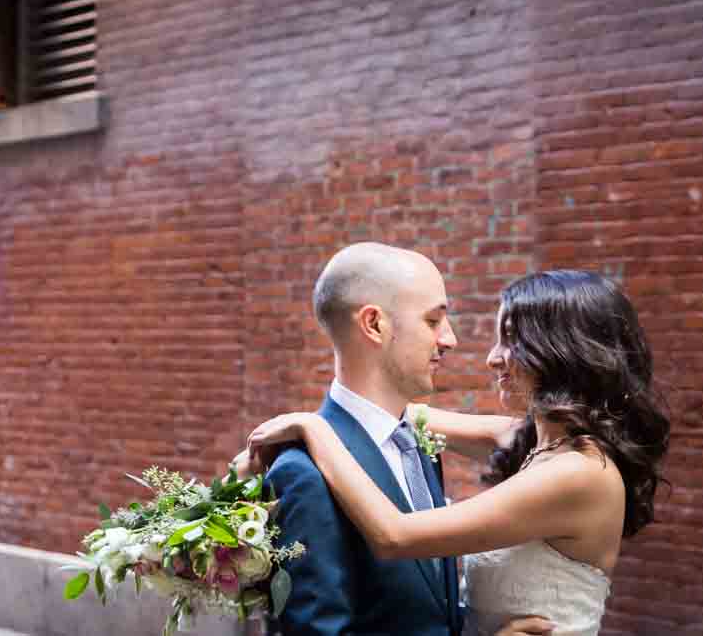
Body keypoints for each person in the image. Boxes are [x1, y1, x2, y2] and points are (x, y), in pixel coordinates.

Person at [247, 269, 670, 636]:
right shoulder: (528, 439)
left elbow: (394, 535)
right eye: (433, 321)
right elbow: (396, 415)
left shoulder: (579, 473)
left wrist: (312, 428)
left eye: (511, 341)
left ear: (563, 351)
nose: (491, 359)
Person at [245, 242, 547, 636]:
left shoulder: (418, 444)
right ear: (374, 324)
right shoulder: (302, 473)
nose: (450, 339)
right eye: (433, 321)